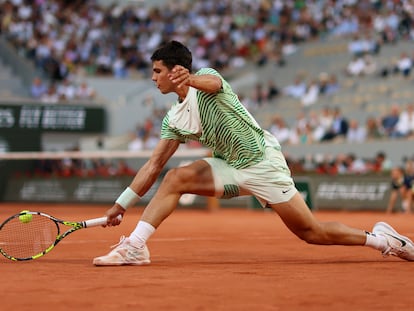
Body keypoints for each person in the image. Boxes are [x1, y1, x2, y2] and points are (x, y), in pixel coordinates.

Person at [93, 40, 414, 266]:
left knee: (311, 232)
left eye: (157, 71)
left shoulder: (209, 79)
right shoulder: (173, 120)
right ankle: (135, 247)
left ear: (175, 70)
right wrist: (121, 205)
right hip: (229, 166)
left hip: (263, 163)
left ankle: (382, 240)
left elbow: (212, 85)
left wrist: (190, 79)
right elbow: (153, 164)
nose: (153, 78)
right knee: (175, 177)